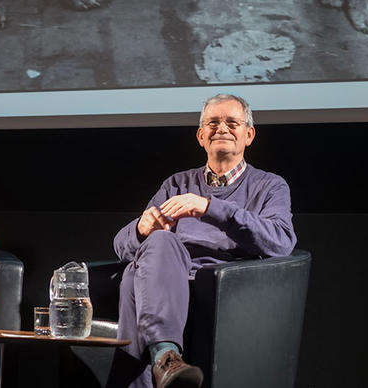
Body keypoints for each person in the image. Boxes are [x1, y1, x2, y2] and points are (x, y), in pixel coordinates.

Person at [110, 94, 297, 388]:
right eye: (213, 123)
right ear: (200, 136)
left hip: (222, 286)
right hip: (167, 278)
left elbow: (281, 241)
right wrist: (139, 228)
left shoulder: (269, 186)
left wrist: (209, 207)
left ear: (249, 135)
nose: (221, 128)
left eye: (232, 122)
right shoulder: (175, 184)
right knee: (157, 243)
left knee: (134, 278)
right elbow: (121, 246)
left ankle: (159, 362)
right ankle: (166, 357)